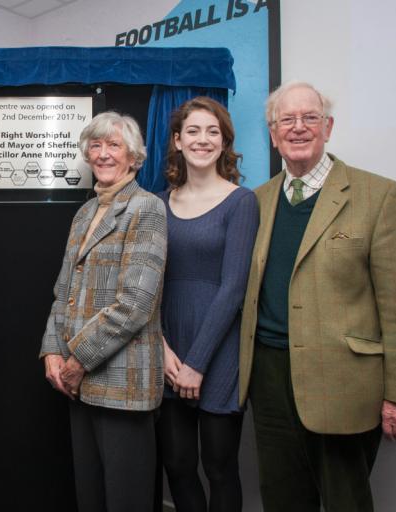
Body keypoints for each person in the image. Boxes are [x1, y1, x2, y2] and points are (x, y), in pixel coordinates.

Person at [239, 81, 396, 511]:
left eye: (310, 118)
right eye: (287, 119)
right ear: (273, 133)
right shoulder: (257, 201)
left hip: (342, 383)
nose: (298, 127)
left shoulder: (379, 196)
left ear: (329, 127)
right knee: (281, 499)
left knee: (347, 502)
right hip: (268, 379)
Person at [40, 111, 167, 512]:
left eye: (114, 145)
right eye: (95, 145)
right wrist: (52, 352)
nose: (103, 154)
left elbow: (136, 302)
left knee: (125, 501)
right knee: (90, 498)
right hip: (78, 383)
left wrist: (77, 360)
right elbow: (64, 290)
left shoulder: (146, 208)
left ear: (134, 157)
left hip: (122, 384)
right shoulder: (84, 213)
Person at [157, 97, 258, 512]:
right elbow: (146, 286)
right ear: (178, 142)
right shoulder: (157, 203)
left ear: (224, 142)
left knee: (220, 468)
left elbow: (234, 288)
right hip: (167, 350)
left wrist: (196, 363)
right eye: (193, 131)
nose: (203, 140)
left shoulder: (242, 202)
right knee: (177, 466)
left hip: (218, 354)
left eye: (212, 132)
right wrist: (161, 350)